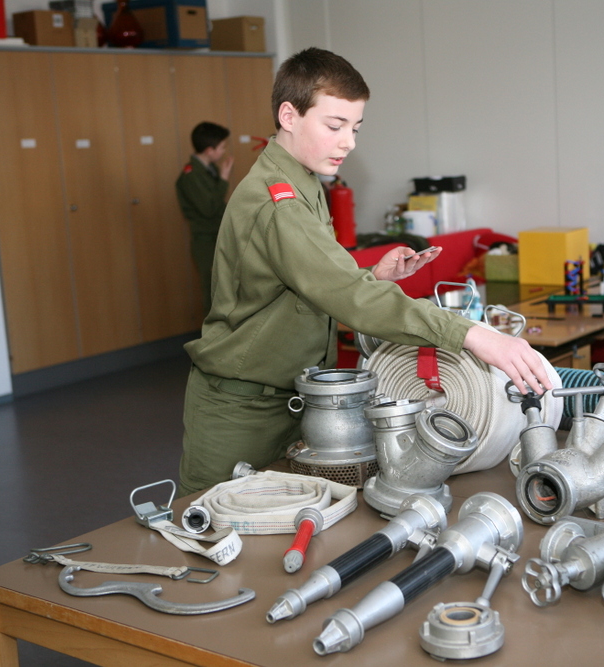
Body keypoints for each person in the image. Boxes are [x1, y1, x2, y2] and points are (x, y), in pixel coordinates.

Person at [178, 48, 552, 496]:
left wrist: (371, 277)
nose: (349, 142)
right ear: (289, 116)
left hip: (292, 402)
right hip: (241, 413)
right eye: (334, 126)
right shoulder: (279, 202)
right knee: (216, 522)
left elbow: (310, 286)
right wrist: (473, 335)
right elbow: (346, 294)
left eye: (355, 128)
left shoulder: (302, 180)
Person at [176, 121, 234, 312]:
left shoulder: (210, 169)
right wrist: (224, 179)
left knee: (227, 288)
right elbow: (208, 208)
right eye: (222, 147)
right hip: (206, 241)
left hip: (218, 235)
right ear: (210, 151)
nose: (224, 151)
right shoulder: (191, 175)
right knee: (213, 291)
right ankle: (214, 331)